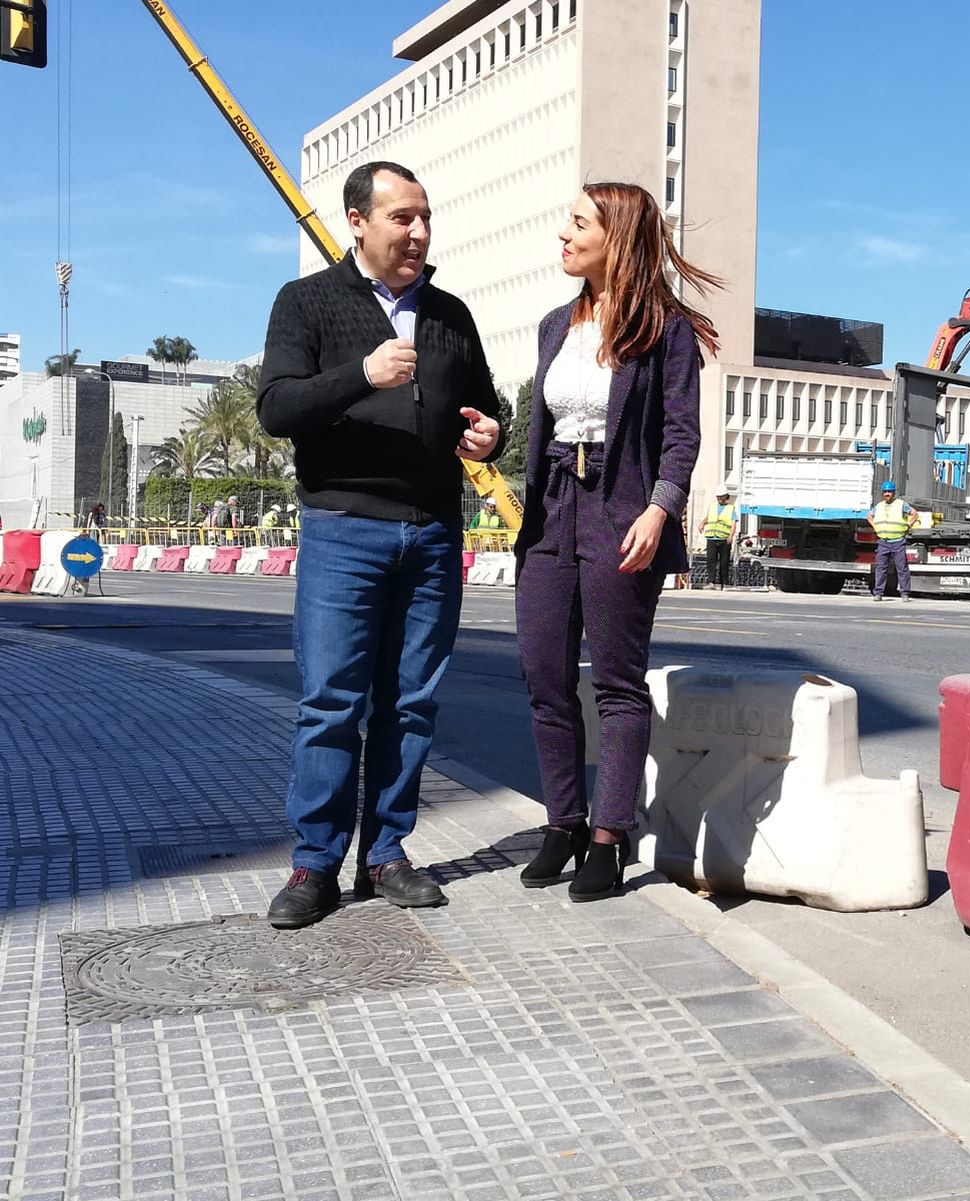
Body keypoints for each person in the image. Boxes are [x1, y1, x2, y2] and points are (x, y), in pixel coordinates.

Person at [256, 160, 503, 929]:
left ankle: (387, 853)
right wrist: (361, 373)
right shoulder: (307, 303)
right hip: (343, 528)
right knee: (331, 700)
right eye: (403, 218)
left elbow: (483, 408)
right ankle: (314, 863)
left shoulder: (451, 313)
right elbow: (276, 406)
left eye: (425, 217)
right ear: (357, 221)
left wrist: (490, 437)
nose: (419, 232)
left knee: (412, 703)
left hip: (432, 532)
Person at [513, 181, 719, 902]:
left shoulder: (665, 330)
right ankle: (563, 822)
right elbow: (542, 428)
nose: (562, 235)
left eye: (576, 223)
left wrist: (660, 510)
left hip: (621, 506)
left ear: (618, 236)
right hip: (550, 509)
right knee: (543, 673)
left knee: (617, 683)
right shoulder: (552, 326)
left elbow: (681, 436)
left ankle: (609, 833)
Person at [869, 480, 918, 601]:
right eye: (885, 492)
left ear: (893, 493)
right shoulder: (879, 506)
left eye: (889, 492)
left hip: (898, 541)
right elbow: (869, 516)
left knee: (901, 568)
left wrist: (908, 525)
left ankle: (905, 593)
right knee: (880, 568)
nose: (887, 494)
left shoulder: (901, 504)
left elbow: (914, 513)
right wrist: (875, 527)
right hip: (883, 542)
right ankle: (878, 593)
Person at [700, 484, 736, 589]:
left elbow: (733, 523)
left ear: (726, 496)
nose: (719, 498)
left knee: (724, 563)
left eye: (721, 496)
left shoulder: (730, 508)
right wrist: (702, 523)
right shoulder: (712, 507)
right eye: (718, 497)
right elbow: (709, 517)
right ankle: (711, 582)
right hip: (712, 538)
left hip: (724, 539)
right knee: (711, 561)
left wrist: (731, 536)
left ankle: (723, 583)